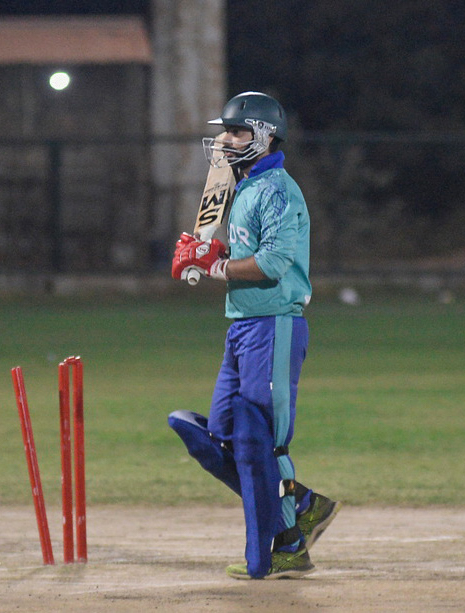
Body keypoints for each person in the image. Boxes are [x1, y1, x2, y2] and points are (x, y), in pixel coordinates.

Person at [169, 91, 341, 580]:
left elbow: (272, 263)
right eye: (225, 130)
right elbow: (247, 253)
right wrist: (212, 251)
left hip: (276, 324)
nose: (225, 139)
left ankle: (289, 545)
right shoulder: (245, 187)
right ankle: (302, 506)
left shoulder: (279, 191)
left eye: (236, 131)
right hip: (243, 326)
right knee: (223, 435)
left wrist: (215, 266)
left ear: (264, 137)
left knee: (266, 442)